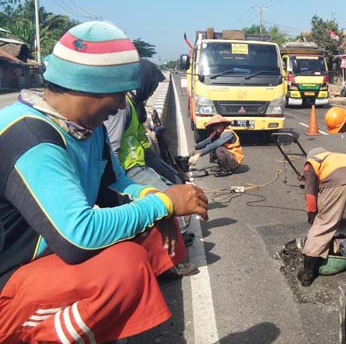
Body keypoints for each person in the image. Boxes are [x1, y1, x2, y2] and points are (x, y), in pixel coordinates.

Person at [0, 21, 208, 343]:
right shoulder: (31, 138)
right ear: (91, 89)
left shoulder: (86, 129)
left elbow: (115, 185)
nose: (121, 106)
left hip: (41, 260)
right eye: (119, 95)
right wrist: (164, 203)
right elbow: (77, 237)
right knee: (122, 269)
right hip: (9, 278)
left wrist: (158, 201)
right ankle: (28, 335)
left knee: (154, 234)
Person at [104, 59, 196, 275]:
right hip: (128, 170)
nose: (154, 89)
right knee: (167, 202)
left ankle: (177, 244)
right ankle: (172, 264)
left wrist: (168, 170)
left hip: (139, 164)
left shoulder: (134, 105)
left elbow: (142, 145)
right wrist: (119, 182)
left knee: (175, 184)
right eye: (153, 85)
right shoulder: (123, 108)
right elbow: (113, 147)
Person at [297, 147, 346, 287]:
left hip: (338, 182)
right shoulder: (338, 156)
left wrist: (313, 217)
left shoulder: (311, 162)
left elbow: (310, 196)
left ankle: (307, 273)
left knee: (324, 225)